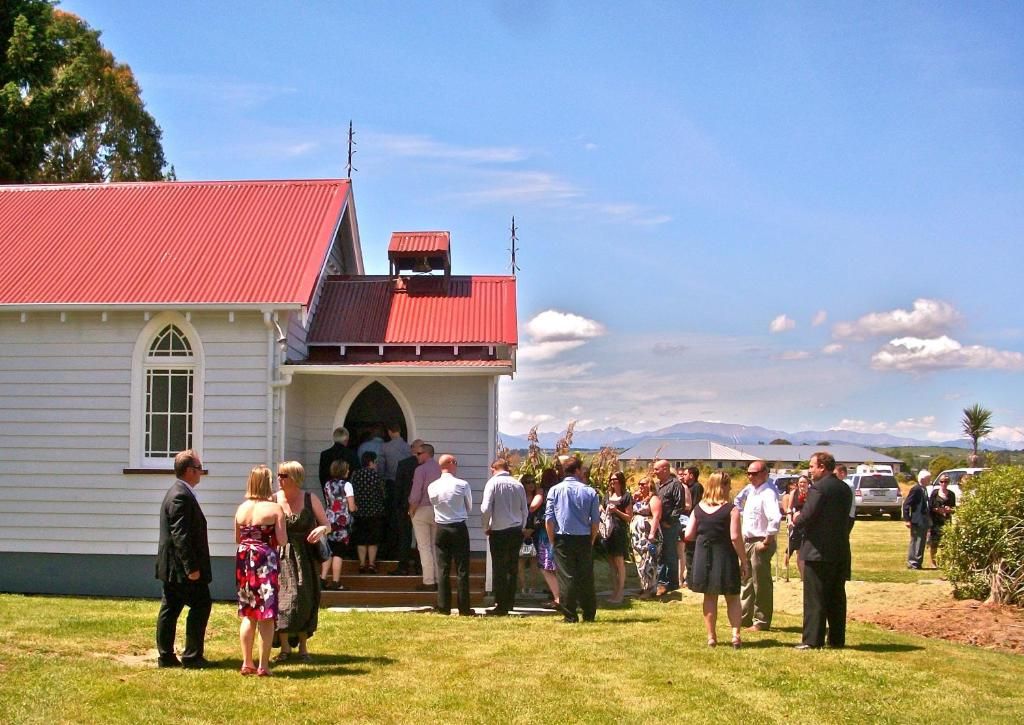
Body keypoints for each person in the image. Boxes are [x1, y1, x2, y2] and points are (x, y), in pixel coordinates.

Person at [155, 449, 213, 669]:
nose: (201, 473)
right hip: (181, 568)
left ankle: (166, 656)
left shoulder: (179, 491)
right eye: (199, 469)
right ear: (189, 471)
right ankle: (191, 656)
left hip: (174, 566)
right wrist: (191, 568)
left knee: (170, 608)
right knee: (201, 605)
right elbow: (181, 535)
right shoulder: (180, 495)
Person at [793, 451, 853, 650]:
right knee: (836, 596)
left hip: (817, 551)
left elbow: (808, 516)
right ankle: (837, 639)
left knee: (815, 597)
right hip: (839, 549)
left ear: (822, 467)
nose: (809, 471)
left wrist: (796, 519)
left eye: (812, 466)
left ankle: (812, 639)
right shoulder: (845, 489)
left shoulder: (819, 488)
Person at [274, 461, 331, 662]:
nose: (279, 479)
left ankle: (303, 648)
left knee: (305, 597)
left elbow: (327, 524)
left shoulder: (309, 498)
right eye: (278, 475)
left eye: (283, 475)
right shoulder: (274, 500)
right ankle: (284, 648)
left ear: (295, 478)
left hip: (305, 555)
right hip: (282, 555)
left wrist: (321, 529)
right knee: (283, 599)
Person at [684, 472, 748, 648]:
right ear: (724, 486)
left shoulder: (698, 508)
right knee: (733, 597)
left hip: (704, 556)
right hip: (725, 554)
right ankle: (735, 635)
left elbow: (688, 534)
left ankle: (711, 636)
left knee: (709, 597)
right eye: (729, 485)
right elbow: (735, 537)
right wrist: (744, 560)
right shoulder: (731, 509)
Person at [234, 465, 286, 676]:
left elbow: (238, 538)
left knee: (249, 612)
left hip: (245, 559)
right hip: (265, 560)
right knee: (266, 614)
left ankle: (247, 662)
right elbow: (282, 540)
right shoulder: (274, 509)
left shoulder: (241, 509)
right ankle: (263, 666)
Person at [544, 456, 601, 623]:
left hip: (563, 538)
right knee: (586, 576)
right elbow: (595, 521)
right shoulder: (590, 491)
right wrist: (591, 539)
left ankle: (570, 615)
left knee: (566, 576)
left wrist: (552, 540)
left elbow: (549, 519)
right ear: (577, 471)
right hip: (583, 537)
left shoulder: (555, 490)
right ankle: (589, 613)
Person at [736, 459, 781, 632]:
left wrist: (767, 541)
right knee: (747, 580)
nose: (750, 476)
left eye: (754, 473)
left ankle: (761, 621)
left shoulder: (768, 493)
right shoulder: (753, 491)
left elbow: (775, 518)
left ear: (764, 474)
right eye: (748, 473)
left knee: (760, 583)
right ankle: (745, 617)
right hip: (748, 541)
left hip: (760, 541)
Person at [428, 454, 475, 616]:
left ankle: (444, 607)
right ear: (452, 464)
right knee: (462, 569)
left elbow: (434, 504)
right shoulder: (462, 484)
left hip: (441, 527)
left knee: (443, 568)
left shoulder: (432, 486)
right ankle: (464, 608)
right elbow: (469, 506)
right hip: (458, 527)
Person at [481, 458, 529, 616]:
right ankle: (510, 602)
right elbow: (524, 509)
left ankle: (501, 604)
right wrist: (521, 526)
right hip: (515, 530)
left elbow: (486, 507)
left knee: (499, 568)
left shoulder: (493, 483)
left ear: (493, 468)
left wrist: (486, 526)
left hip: (499, 530)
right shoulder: (518, 484)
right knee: (512, 567)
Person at [652, 459, 689, 597]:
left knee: (669, 554)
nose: (654, 472)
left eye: (657, 469)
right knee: (660, 553)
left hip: (669, 525)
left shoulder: (675, 485)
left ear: (665, 469)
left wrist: (670, 521)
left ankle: (669, 583)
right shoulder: (656, 485)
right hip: (658, 525)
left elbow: (679, 506)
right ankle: (662, 582)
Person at [389, 439, 423, 576]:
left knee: (405, 536)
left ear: (412, 449)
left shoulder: (404, 464)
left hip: (405, 505)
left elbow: (398, 486)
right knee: (421, 538)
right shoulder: (426, 464)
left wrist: (396, 504)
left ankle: (403, 566)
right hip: (422, 506)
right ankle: (420, 566)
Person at [409, 443, 441, 591]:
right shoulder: (441, 469)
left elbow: (416, 493)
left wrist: (411, 509)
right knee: (436, 546)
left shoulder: (420, 470)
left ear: (427, 453)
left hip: (422, 509)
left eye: (419, 453)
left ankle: (428, 581)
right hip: (439, 510)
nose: (417, 456)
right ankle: (439, 579)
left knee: (424, 547)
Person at [321, 459, 357, 589]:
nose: (348, 471)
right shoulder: (347, 485)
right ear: (343, 470)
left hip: (329, 519)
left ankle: (323, 578)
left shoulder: (327, 484)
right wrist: (355, 508)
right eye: (347, 469)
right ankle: (336, 581)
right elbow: (351, 507)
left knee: (328, 551)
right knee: (338, 552)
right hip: (342, 522)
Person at [379, 423, 412, 558]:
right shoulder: (408, 447)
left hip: (391, 484)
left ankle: (390, 550)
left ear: (390, 432)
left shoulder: (385, 447)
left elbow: (381, 468)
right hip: (407, 487)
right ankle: (403, 550)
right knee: (404, 519)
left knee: (391, 517)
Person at [351, 451, 386, 573]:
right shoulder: (376, 475)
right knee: (373, 540)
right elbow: (383, 493)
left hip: (359, 512)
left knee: (361, 539)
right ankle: (371, 564)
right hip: (375, 511)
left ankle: (361, 564)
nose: (377, 464)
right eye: (375, 462)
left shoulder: (355, 475)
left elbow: (352, 492)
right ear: (371, 462)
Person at [601, 471, 633, 604]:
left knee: (619, 563)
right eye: (611, 479)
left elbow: (629, 517)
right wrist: (603, 510)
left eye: (615, 479)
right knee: (611, 563)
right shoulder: (607, 496)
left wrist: (616, 511)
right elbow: (601, 508)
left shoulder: (626, 496)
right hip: (608, 532)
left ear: (621, 481)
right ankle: (614, 591)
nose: (613, 482)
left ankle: (620, 593)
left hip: (619, 531)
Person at [631, 477, 663, 599]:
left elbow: (656, 517)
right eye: (639, 484)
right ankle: (643, 586)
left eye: (643, 484)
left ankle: (650, 589)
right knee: (640, 561)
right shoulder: (642, 499)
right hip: (638, 536)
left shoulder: (654, 499)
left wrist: (652, 534)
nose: (640, 486)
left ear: (650, 485)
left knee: (649, 562)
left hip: (648, 535)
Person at [534, 468, 561, 608]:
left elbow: (534, 505)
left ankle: (557, 598)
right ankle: (560, 596)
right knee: (557, 565)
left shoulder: (543, 491)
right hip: (559, 530)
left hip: (545, 530)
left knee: (546, 565)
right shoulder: (559, 490)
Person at [903, 470, 932, 570]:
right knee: (916, 541)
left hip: (923, 519)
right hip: (917, 519)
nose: (930, 481)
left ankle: (917, 562)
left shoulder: (924, 489)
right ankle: (913, 562)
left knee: (921, 541)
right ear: (923, 479)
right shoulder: (916, 489)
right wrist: (907, 519)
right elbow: (907, 504)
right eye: (928, 479)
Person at [518, 474, 541, 595]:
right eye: (527, 482)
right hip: (521, 531)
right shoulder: (519, 497)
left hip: (534, 532)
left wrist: (532, 529)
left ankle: (532, 587)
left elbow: (540, 515)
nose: (531, 484)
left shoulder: (538, 498)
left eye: (533, 481)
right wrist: (523, 529)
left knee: (533, 560)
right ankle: (523, 587)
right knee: (521, 560)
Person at [680, 466, 703, 588]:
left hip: (692, 522)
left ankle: (691, 579)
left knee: (691, 551)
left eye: (685, 474)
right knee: (687, 551)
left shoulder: (696, 487)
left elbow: (694, 505)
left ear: (692, 476)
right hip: (685, 521)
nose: (683, 476)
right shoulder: (686, 487)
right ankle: (689, 577)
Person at [928, 474, 957, 569]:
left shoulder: (951, 494)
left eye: (946, 481)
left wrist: (949, 510)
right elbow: (930, 507)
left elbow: (954, 508)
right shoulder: (935, 493)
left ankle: (943, 562)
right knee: (934, 544)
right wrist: (938, 510)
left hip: (946, 522)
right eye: (942, 481)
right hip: (935, 521)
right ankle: (933, 563)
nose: (944, 483)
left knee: (945, 543)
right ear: (939, 482)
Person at [785, 476, 810, 581]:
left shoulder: (811, 493)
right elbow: (789, 509)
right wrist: (790, 520)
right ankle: (802, 576)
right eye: (800, 482)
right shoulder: (793, 493)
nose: (802, 484)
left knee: (805, 551)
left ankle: (805, 576)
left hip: (807, 524)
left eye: (804, 482)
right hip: (795, 525)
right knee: (798, 550)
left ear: (808, 483)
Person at [319, 426, 358, 493]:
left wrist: (326, 491)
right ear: (346, 439)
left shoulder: (325, 454)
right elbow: (357, 474)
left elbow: (322, 475)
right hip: (347, 493)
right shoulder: (352, 455)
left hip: (329, 492)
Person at [835, 463, 856, 530]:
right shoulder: (845, 483)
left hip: (846, 517)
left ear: (842, 473)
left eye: (835, 474)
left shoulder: (846, 485)